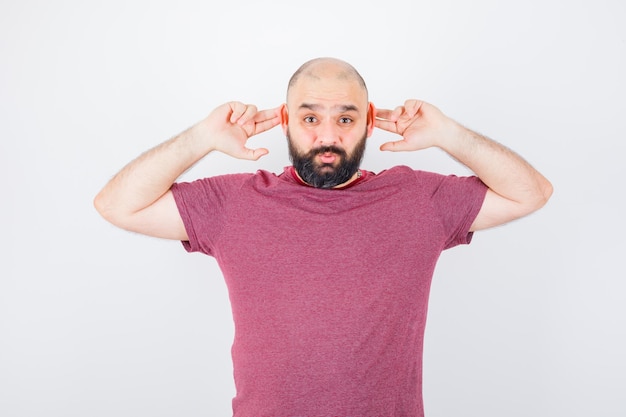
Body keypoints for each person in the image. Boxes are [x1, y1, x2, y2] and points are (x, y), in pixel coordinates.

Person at [94, 57, 552, 417]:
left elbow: (530, 193)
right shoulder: (236, 203)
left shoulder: (416, 197)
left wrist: (449, 134)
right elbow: (117, 204)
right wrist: (201, 137)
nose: (328, 136)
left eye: (346, 119)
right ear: (286, 119)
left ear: (370, 120)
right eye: (310, 119)